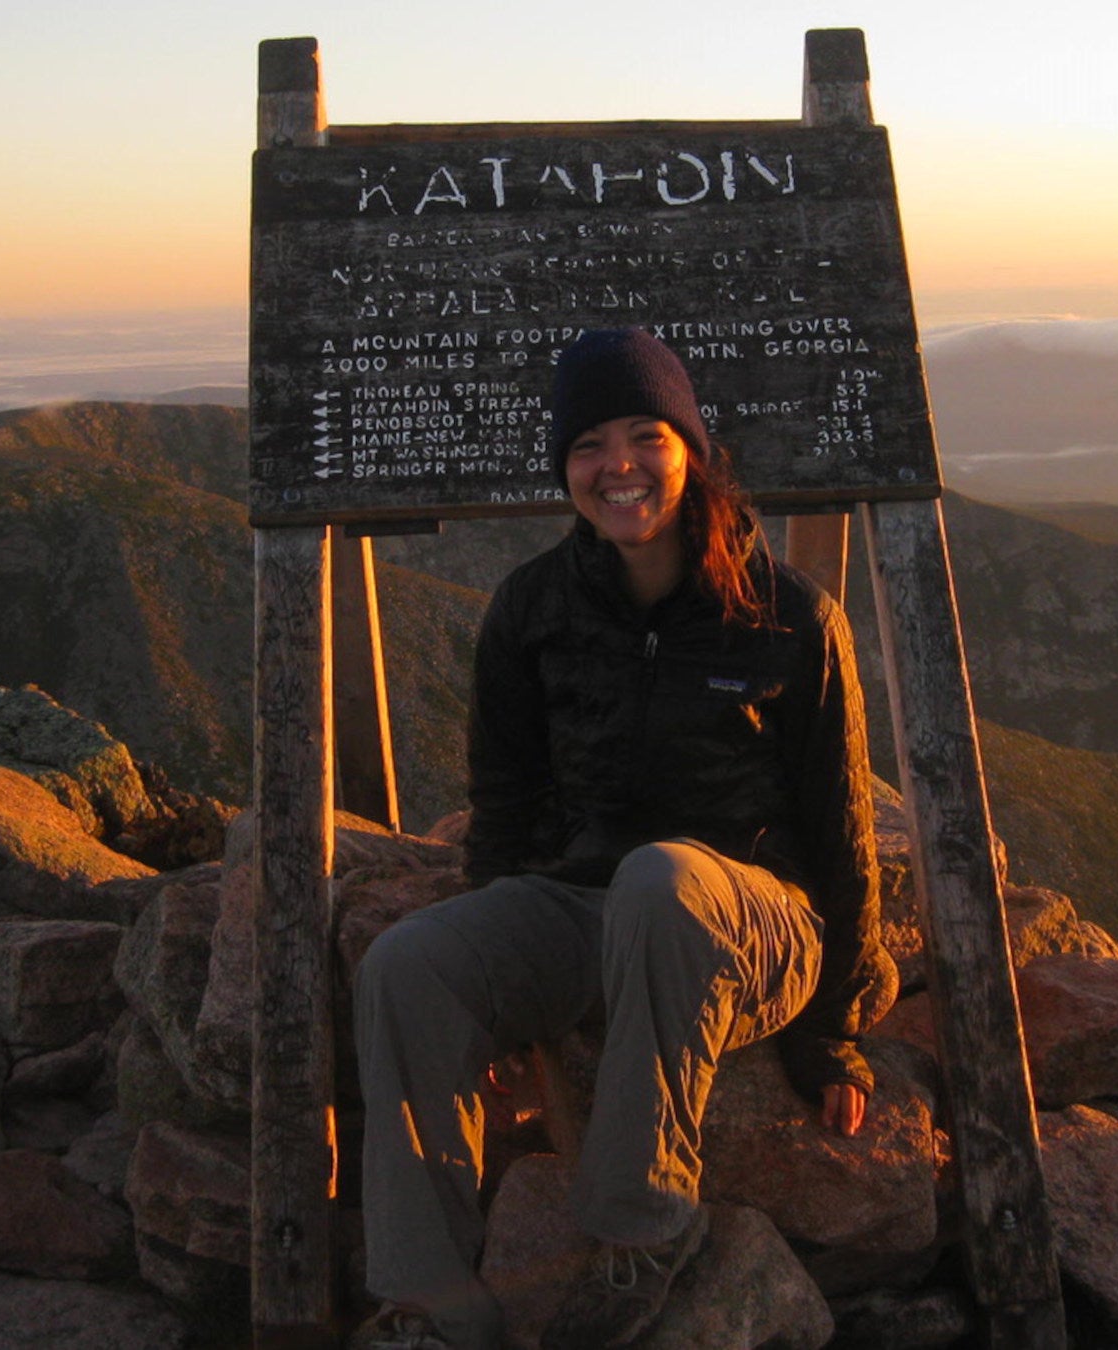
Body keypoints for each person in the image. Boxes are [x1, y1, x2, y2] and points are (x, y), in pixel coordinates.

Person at [351, 328, 895, 1350]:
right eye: (589, 444)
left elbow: (843, 831)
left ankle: (640, 1232)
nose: (619, 467)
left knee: (665, 878)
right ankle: (432, 1302)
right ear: (565, 468)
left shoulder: (791, 618)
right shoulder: (531, 609)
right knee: (406, 965)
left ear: (690, 447)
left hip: (753, 926)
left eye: (646, 434)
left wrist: (837, 1034)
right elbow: (504, 804)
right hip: (589, 908)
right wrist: (497, 985)